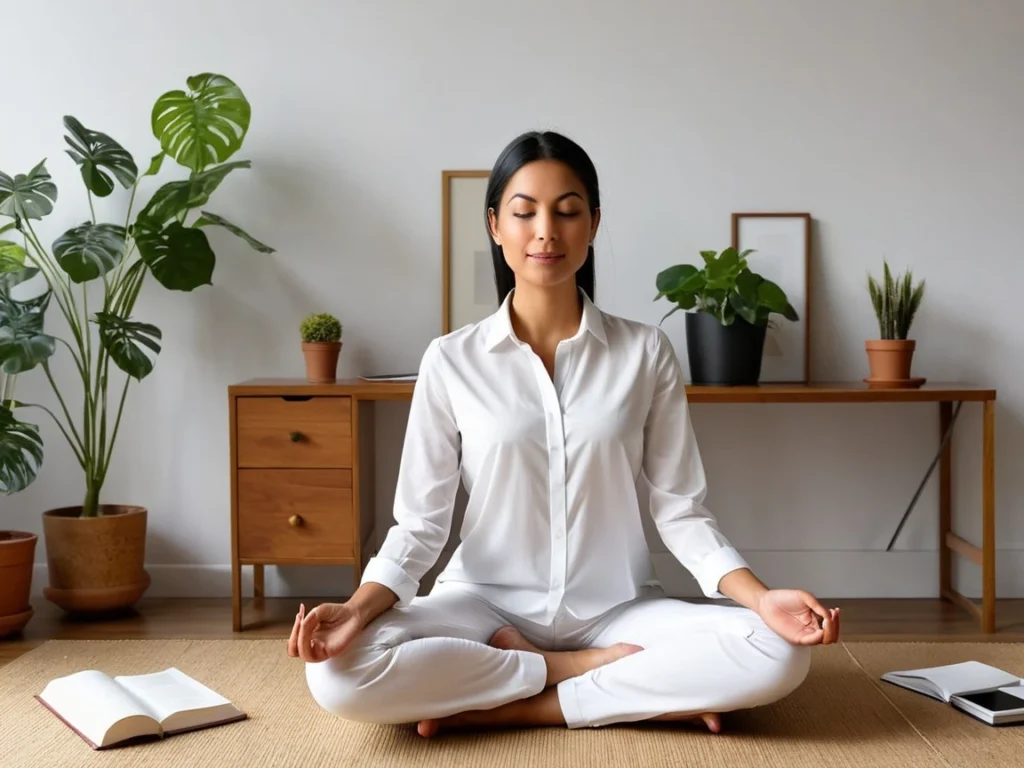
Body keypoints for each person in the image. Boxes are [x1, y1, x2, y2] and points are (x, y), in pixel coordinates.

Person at [287, 130, 840, 738]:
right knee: (337, 673)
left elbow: (681, 511)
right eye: (524, 213)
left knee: (778, 652)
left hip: (619, 609)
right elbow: (420, 525)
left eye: (567, 211)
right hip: (480, 605)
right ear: (495, 226)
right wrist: (357, 609)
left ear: (593, 223)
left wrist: (760, 599)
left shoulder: (645, 352)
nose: (546, 231)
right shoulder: (450, 360)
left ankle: (523, 702)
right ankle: (581, 676)